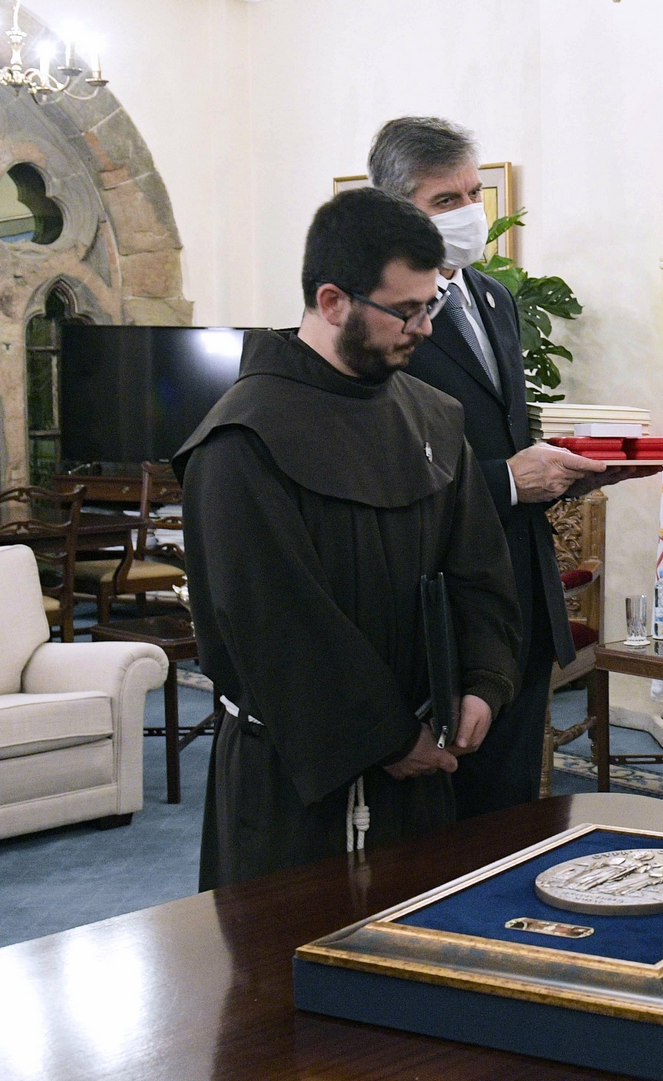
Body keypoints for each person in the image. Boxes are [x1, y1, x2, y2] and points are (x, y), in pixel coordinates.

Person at [176, 187, 522, 889]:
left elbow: (481, 571)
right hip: (296, 786)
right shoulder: (242, 441)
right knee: (284, 982)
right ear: (333, 302)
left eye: (432, 305)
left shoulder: (433, 417)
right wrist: (389, 736)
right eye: (406, 310)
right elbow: (276, 623)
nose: (424, 328)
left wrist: (483, 683)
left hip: (423, 769)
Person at [368, 117, 652, 818]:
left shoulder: (493, 298)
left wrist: (572, 473)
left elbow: (504, 434)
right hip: (439, 608)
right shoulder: (376, 318)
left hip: (521, 600)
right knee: (439, 832)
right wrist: (504, 481)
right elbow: (385, 472)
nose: (469, 215)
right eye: (446, 201)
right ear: (396, 212)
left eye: (473, 194)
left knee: (514, 813)